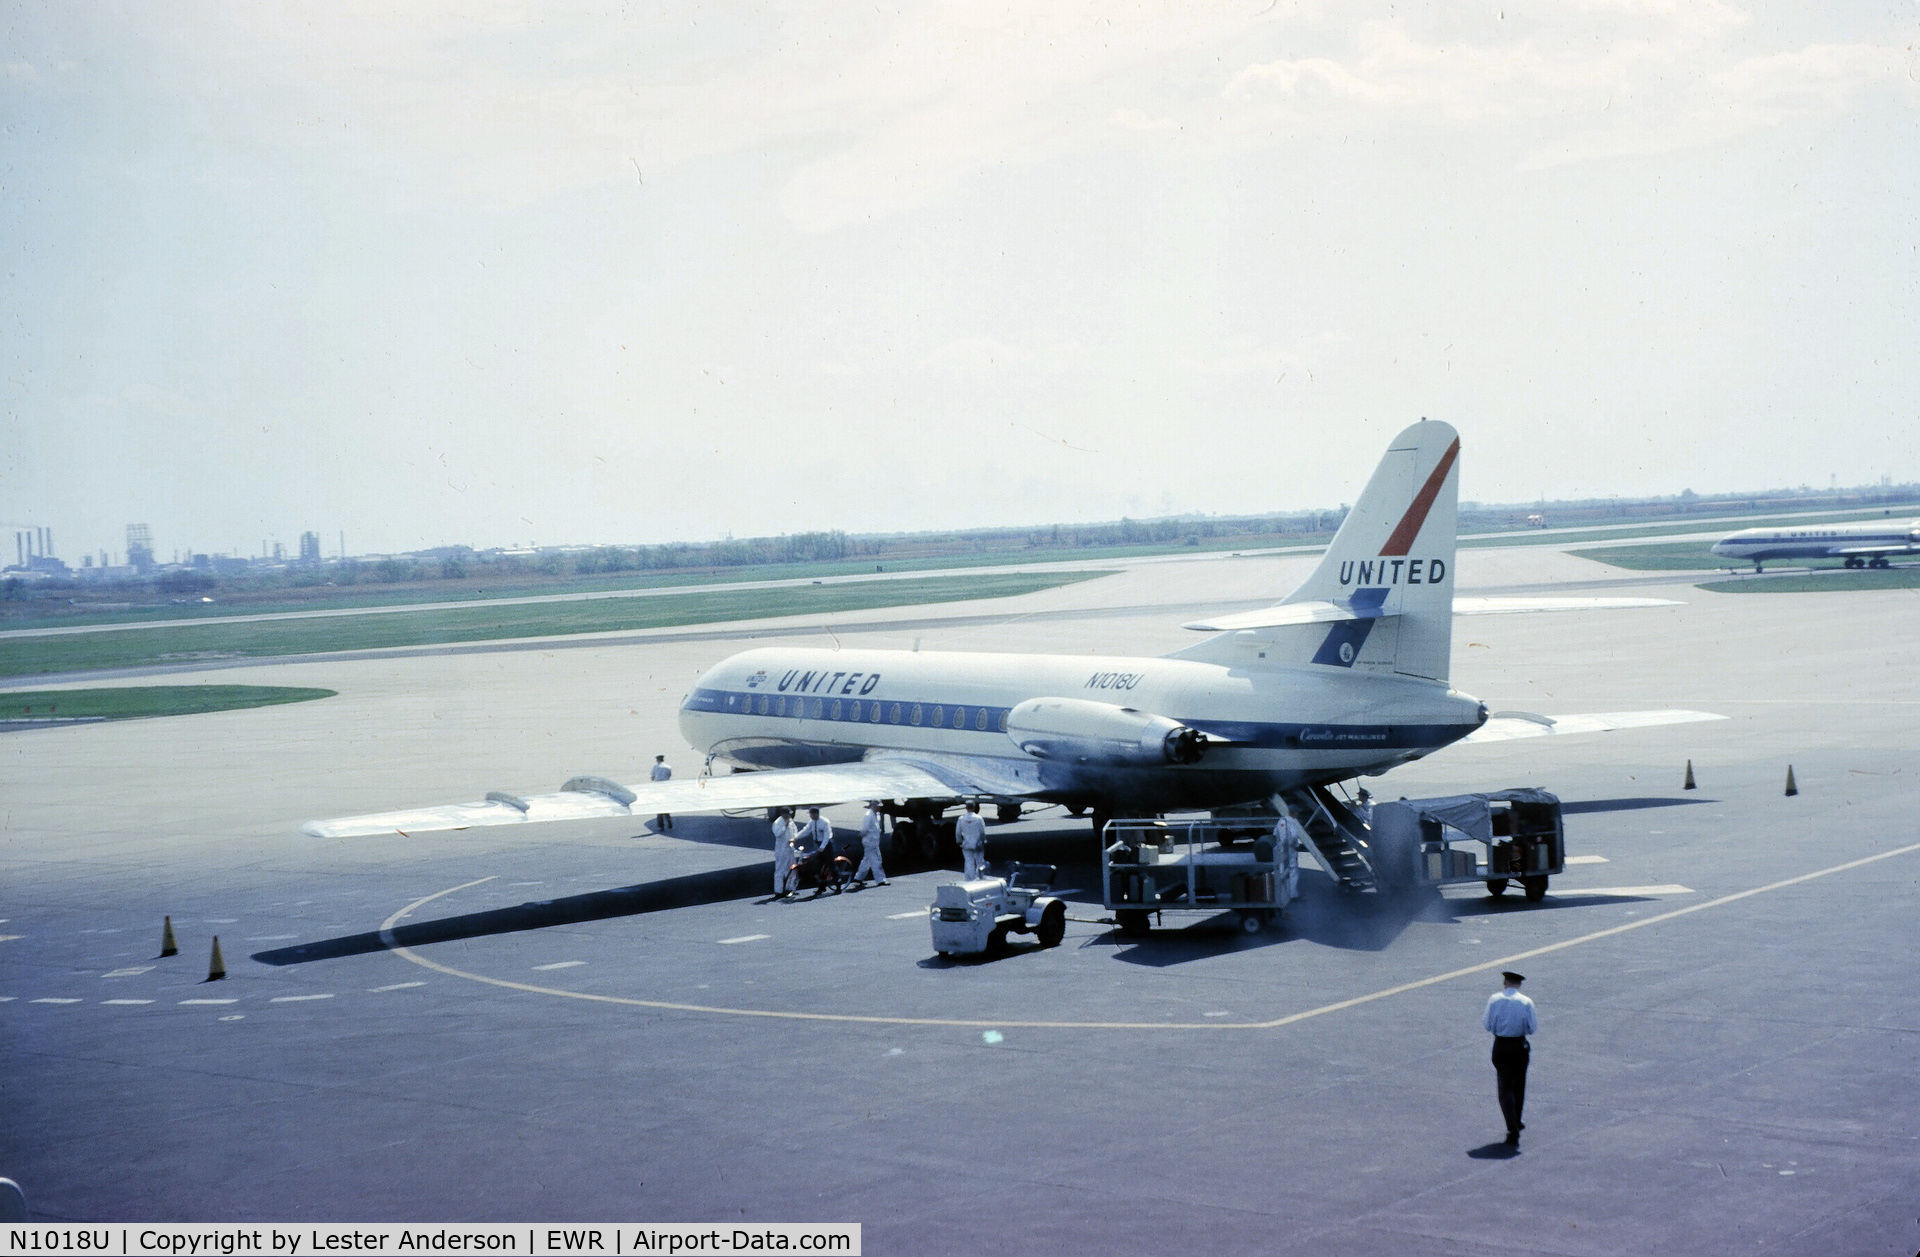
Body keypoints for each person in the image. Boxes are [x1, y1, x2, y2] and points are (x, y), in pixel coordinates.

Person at [1483, 971, 1538, 1145]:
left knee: (1504, 1087)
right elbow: (1532, 1028)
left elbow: (1487, 1024)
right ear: (1519, 985)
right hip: (1519, 1046)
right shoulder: (1526, 1002)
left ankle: (1511, 1124)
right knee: (1519, 1084)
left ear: (1505, 982)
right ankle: (1517, 1120)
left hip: (1501, 1046)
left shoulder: (1494, 1000)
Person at [1274, 808, 1308, 900]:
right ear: (1294, 813)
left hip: (1281, 849)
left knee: (1282, 870)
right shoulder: (1292, 822)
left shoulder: (1281, 821)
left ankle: (1281, 893)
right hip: (1290, 849)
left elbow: (1275, 834)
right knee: (1293, 871)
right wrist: (1294, 845)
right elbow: (1293, 836)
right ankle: (1292, 893)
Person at [854, 801, 889, 886]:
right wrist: (860, 836)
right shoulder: (868, 815)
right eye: (878, 806)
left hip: (874, 841)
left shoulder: (876, 815)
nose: (879, 808)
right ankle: (880, 880)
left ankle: (858, 877)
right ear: (873, 806)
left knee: (867, 860)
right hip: (870, 842)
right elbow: (865, 829)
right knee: (876, 860)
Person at [956, 801, 988, 881]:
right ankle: (979, 877)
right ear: (974, 807)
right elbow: (982, 831)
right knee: (979, 861)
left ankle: (969, 879)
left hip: (966, 844)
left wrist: (959, 841)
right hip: (977, 843)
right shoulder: (978, 818)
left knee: (968, 862)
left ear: (966, 808)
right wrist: (984, 840)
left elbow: (958, 832)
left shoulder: (961, 819)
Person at [770, 808, 796, 898]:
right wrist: (785, 825)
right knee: (780, 870)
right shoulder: (777, 823)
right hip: (781, 850)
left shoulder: (791, 821)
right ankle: (778, 890)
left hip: (790, 849)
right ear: (783, 814)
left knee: (791, 869)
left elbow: (794, 830)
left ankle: (790, 888)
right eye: (788, 814)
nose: (789, 816)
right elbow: (777, 833)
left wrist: (794, 838)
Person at [650, 755, 672, 830]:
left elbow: (652, 777)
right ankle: (669, 821)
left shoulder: (655, 767)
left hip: (658, 788)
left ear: (657, 760)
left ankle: (661, 825)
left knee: (659, 807)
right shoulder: (668, 767)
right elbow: (669, 776)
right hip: (666, 787)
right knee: (666, 804)